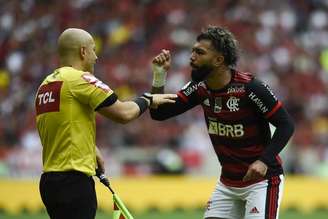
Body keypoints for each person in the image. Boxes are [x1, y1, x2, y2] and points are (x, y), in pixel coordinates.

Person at [149, 26, 295, 219]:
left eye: (200, 52)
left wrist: (263, 160)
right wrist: (159, 75)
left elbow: (286, 125)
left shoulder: (250, 88)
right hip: (228, 184)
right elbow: (159, 114)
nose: (192, 56)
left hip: (262, 182)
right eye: (193, 51)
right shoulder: (199, 88)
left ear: (219, 60)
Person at [35, 28, 176, 219]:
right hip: (74, 182)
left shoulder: (46, 86)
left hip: (50, 182)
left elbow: (60, 128)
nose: (96, 56)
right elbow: (123, 114)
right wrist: (148, 99)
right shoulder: (79, 79)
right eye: (93, 50)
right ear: (83, 51)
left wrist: (90, 148)